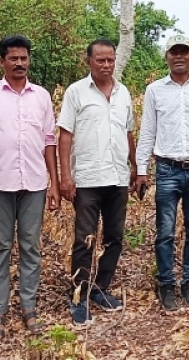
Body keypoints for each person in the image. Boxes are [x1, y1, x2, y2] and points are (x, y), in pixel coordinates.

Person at [0, 35, 60, 340]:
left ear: (29, 60)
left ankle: (29, 308)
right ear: (2, 61)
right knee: (0, 247)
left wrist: (54, 184)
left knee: (31, 247)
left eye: (24, 58)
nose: (19, 63)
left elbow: (49, 142)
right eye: (13, 58)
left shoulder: (42, 96)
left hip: (33, 183)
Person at [134, 35, 189, 311]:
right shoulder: (155, 90)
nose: (179, 57)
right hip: (167, 169)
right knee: (165, 231)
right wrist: (141, 170)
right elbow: (148, 130)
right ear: (167, 57)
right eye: (174, 52)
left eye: (184, 52)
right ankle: (166, 284)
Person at [57, 39, 136, 326]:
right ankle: (78, 296)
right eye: (100, 60)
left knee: (114, 237)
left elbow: (128, 133)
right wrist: (66, 176)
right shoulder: (76, 92)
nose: (106, 65)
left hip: (117, 178)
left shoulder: (123, 92)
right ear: (88, 60)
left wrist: (136, 169)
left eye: (110, 60)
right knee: (84, 240)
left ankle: (100, 288)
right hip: (87, 179)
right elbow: (65, 135)